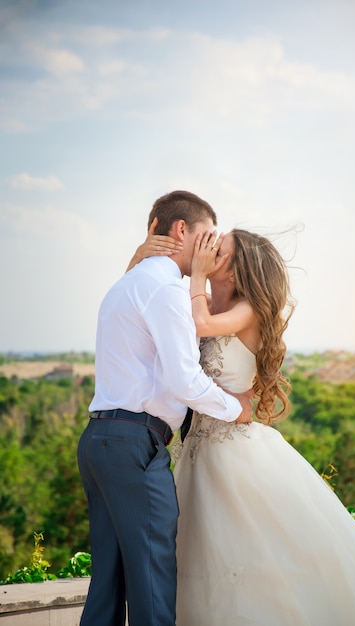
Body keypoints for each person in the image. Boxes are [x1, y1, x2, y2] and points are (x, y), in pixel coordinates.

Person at [133, 226, 355, 625]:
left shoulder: (247, 310)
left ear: (234, 270)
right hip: (198, 454)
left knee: (248, 559)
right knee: (201, 561)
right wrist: (145, 256)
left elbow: (196, 325)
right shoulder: (204, 303)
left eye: (220, 249)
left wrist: (195, 273)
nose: (209, 249)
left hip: (237, 456)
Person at [77, 190, 253, 626]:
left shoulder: (127, 282)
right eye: (208, 237)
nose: (212, 251)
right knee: (153, 586)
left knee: (108, 586)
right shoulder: (167, 291)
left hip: (99, 441)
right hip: (135, 445)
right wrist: (237, 410)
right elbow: (185, 381)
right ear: (181, 230)